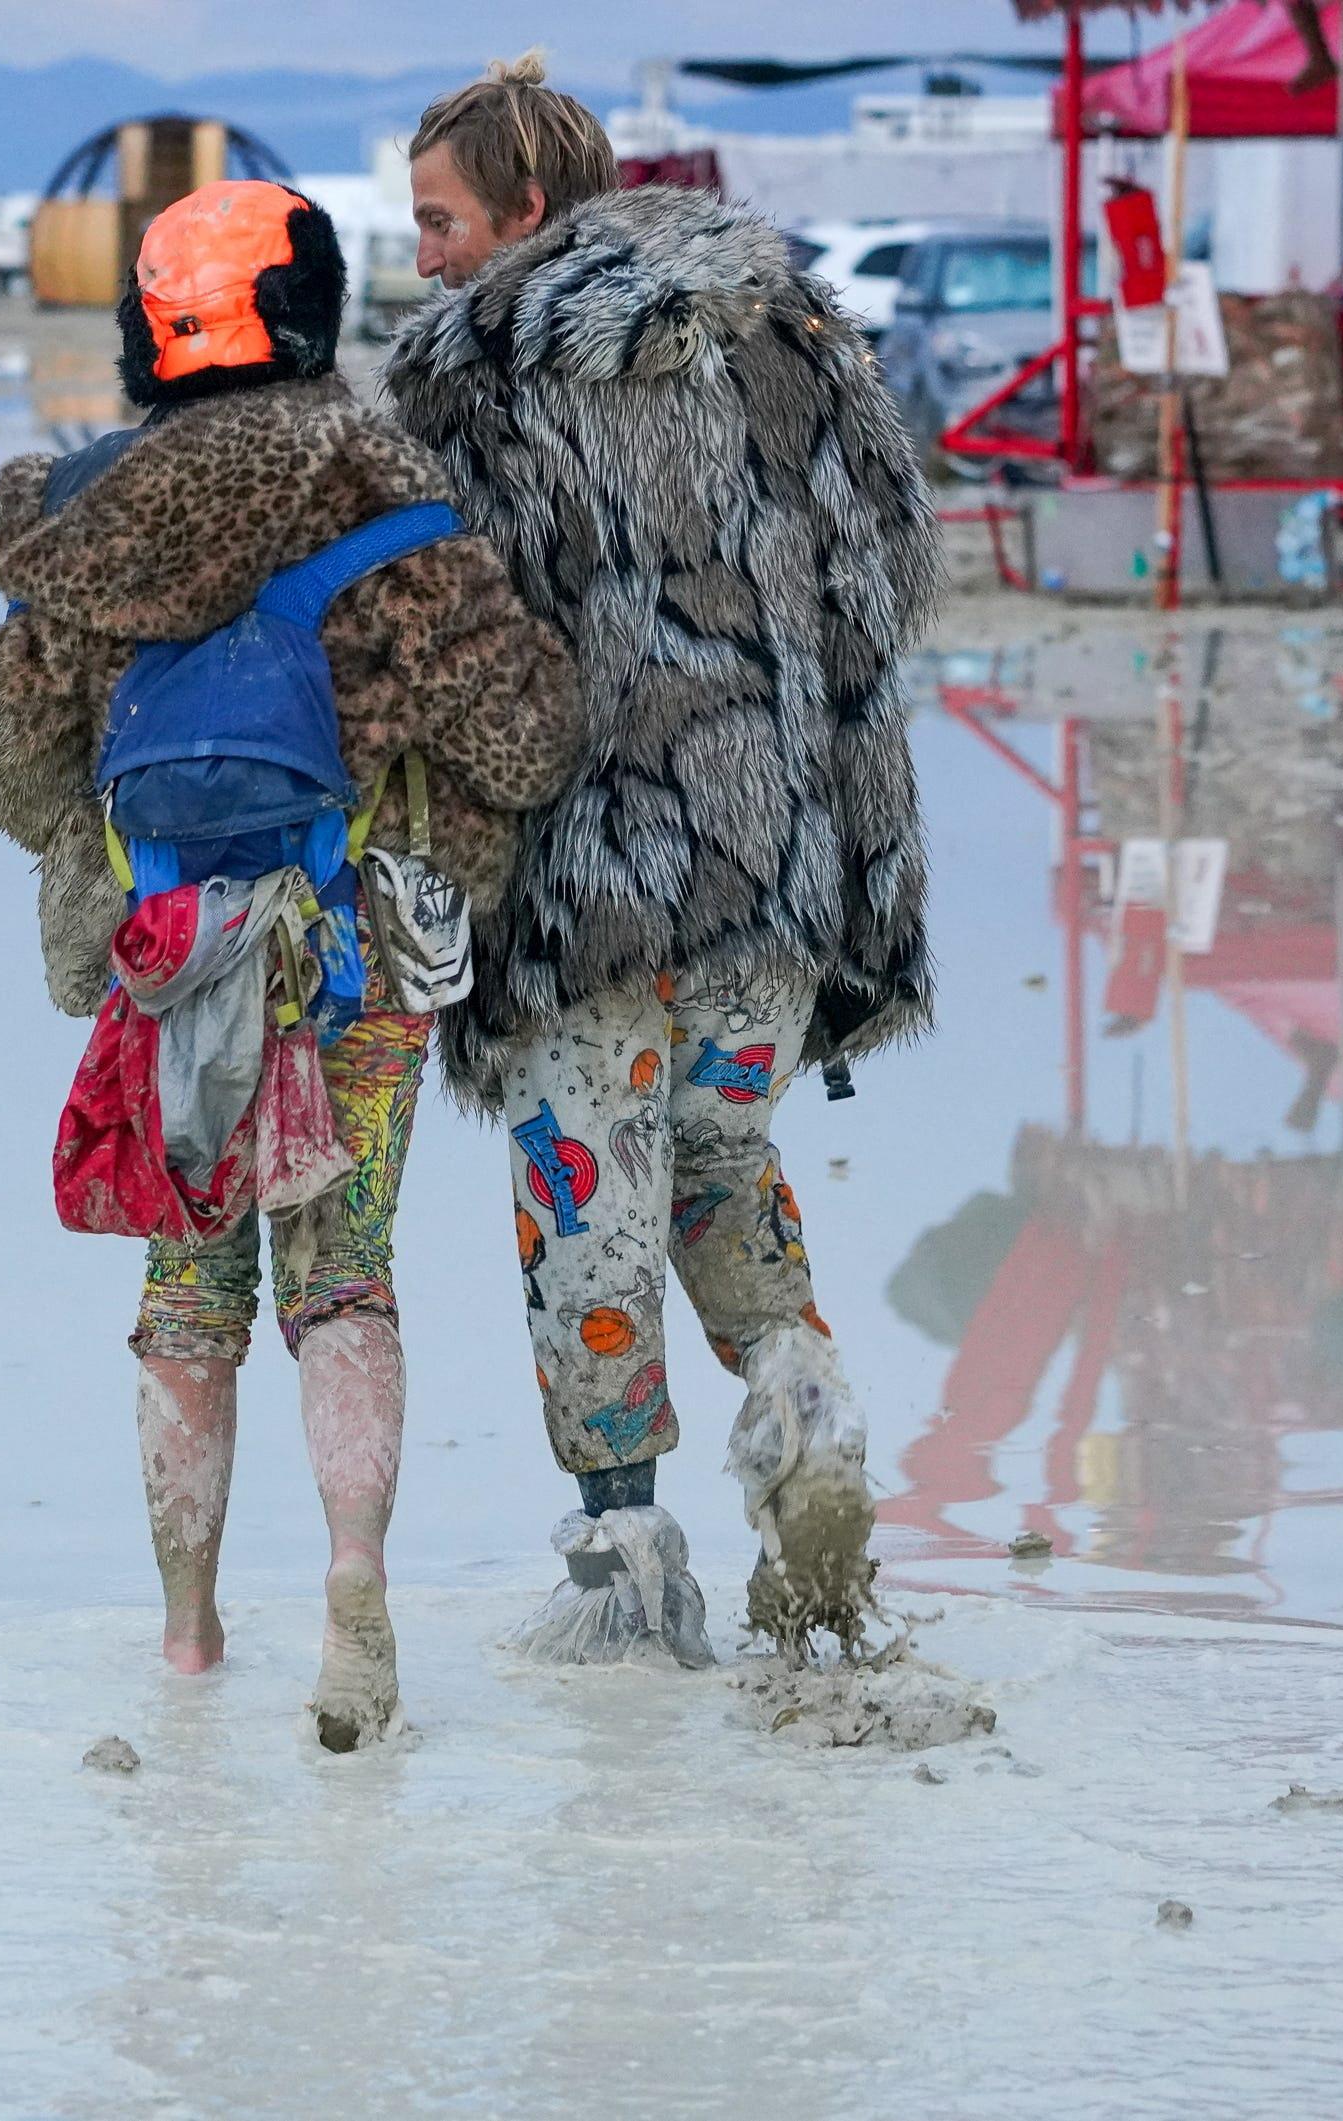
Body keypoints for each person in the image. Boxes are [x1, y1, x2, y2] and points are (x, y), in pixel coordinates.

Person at [0, 179, 580, 1748]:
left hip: (163, 964)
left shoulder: (84, 515)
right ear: (306, 311)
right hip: (353, 953)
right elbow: (526, 729)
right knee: (345, 1272)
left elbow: (6, 766)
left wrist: (132, 853)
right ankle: (356, 1582)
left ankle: (184, 1637)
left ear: (148, 329)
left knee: (186, 1290)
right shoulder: (383, 486)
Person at [383, 57, 943, 1656]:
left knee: (588, 1205)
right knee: (721, 1164)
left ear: (527, 210)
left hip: (589, 875)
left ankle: (627, 1561)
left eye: (437, 221)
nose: (421, 258)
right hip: (783, 860)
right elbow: (890, 566)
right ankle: (807, 1411)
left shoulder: (474, 375)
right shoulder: (795, 332)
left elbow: (447, 653)